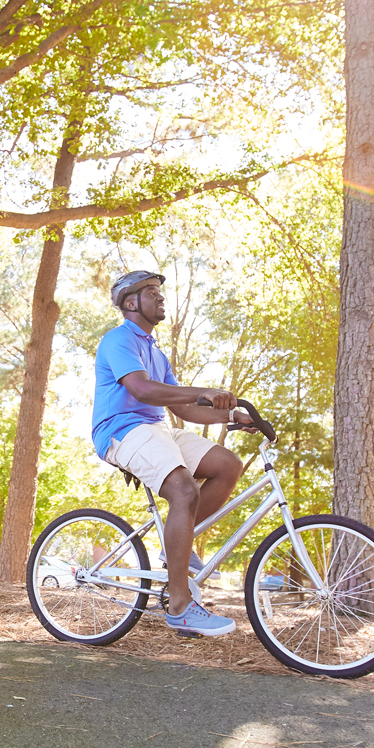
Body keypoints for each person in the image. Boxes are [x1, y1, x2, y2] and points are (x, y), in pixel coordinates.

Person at [91, 270, 254, 637]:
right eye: (151, 292)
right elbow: (144, 390)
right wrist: (207, 389)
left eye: (160, 292)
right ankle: (180, 608)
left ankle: (173, 546)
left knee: (227, 465)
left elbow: (185, 409)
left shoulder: (155, 351)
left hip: (156, 428)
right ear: (130, 303)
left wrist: (232, 415)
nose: (161, 297)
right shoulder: (118, 341)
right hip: (121, 428)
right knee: (184, 490)